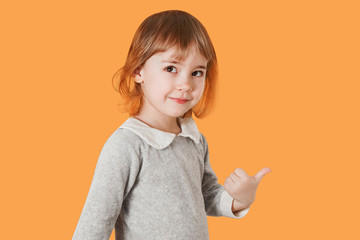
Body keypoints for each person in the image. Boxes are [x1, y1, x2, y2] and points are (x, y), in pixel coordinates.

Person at [73, 10, 271, 240]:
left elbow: (207, 195)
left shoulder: (193, 139)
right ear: (139, 70)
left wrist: (241, 198)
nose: (185, 84)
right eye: (171, 69)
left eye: (197, 72)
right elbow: (94, 225)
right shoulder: (127, 145)